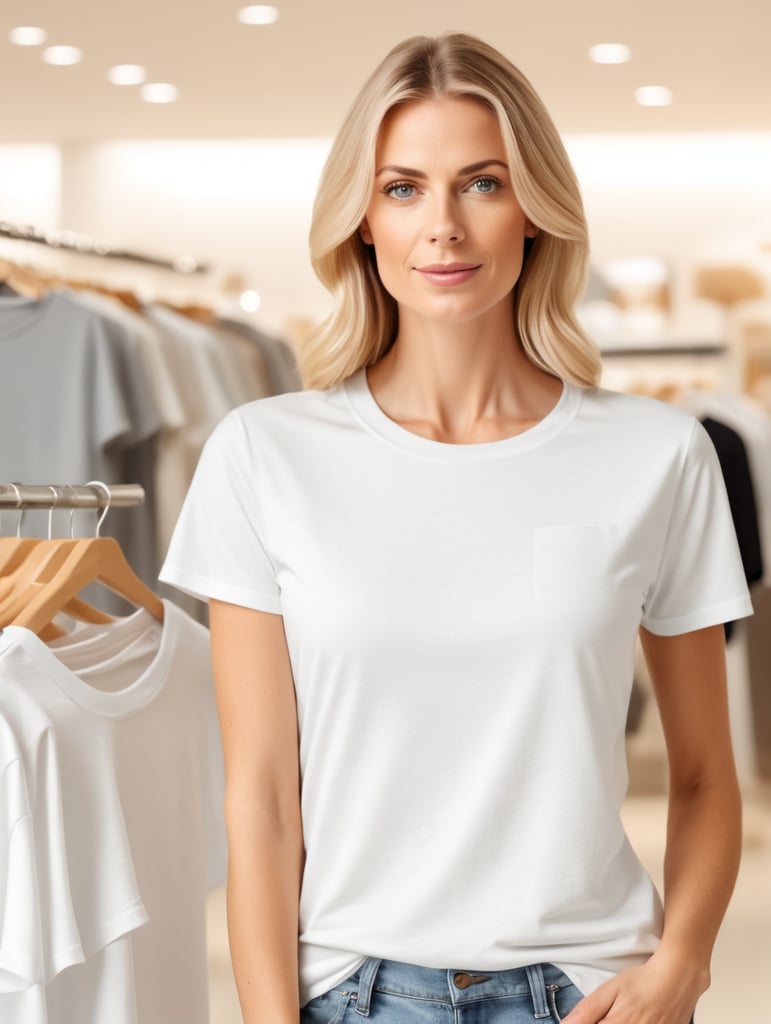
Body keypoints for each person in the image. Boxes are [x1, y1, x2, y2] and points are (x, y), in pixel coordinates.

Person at [160, 32, 753, 1024]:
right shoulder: (263, 454)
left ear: (535, 211)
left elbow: (702, 775)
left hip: (590, 991)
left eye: (481, 183)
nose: (443, 227)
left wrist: (681, 965)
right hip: (354, 992)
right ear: (359, 219)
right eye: (402, 188)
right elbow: (262, 799)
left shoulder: (659, 452)